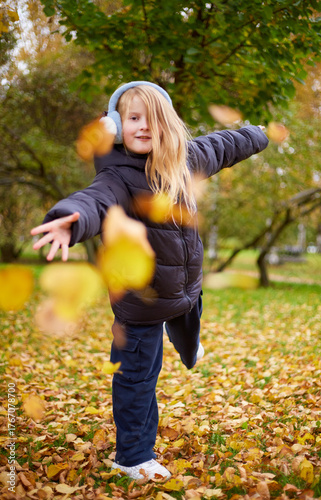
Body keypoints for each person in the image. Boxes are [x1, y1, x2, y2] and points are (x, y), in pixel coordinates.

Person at [31, 81, 269, 481]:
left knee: (186, 319)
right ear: (116, 126)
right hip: (139, 304)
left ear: (168, 126)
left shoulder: (186, 160)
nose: (143, 126)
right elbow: (93, 200)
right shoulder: (117, 177)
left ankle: (189, 346)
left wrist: (258, 134)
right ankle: (134, 457)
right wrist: (70, 220)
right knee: (138, 378)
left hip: (184, 290)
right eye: (132, 118)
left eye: (152, 118)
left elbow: (225, 144)